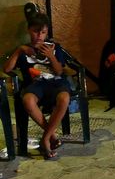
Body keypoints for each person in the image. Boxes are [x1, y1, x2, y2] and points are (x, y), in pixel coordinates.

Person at [3, 13, 69, 159]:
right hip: (35, 85)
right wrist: (19, 50)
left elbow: (59, 71)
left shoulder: (54, 47)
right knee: (27, 100)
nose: (39, 35)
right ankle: (51, 135)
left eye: (43, 32)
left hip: (56, 83)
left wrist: (51, 56)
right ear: (28, 30)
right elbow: (7, 69)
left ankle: (45, 139)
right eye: (35, 31)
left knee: (64, 98)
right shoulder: (24, 49)